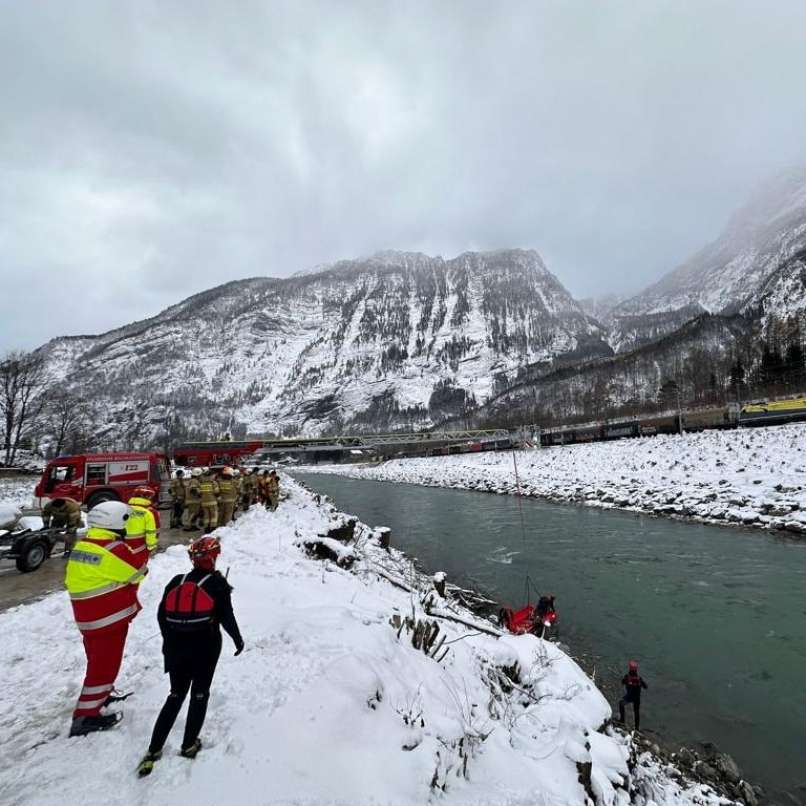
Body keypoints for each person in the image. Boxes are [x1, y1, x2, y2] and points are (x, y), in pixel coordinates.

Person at [137, 536, 244, 776]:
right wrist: (238, 640)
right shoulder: (218, 584)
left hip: (176, 647)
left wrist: (169, 640)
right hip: (206, 646)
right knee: (199, 693)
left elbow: (161, 615)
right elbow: (227, 617)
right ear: (214, 556)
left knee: (175, 695)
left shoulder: (177, 580)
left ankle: (154, 750)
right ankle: (188, 745)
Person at [65, 501, 146, 736]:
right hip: (107, 619)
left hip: (88, 617)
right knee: (104, 667)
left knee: (97, 661)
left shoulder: (85, 545)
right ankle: (85, 717)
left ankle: (102, 696)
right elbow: (137, 571)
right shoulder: (114, 549)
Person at [126, 486, 160, 570]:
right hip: (140, 545)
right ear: (147, 497)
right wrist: (151, 547)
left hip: (122, 545)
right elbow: (153, 532)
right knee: (138, 569)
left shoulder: (124, 508)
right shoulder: (150, 512)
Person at [618, 660, 648, 731]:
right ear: (636, 669)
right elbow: (645, 686)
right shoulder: (639, 678)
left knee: (621, 704)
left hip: (629, 697)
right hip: (637, 698)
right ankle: (637, 728)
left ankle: (622, 720)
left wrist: (627, 683)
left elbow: (622, 682)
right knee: (636, 712)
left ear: (630, 668)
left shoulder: (627, 676)